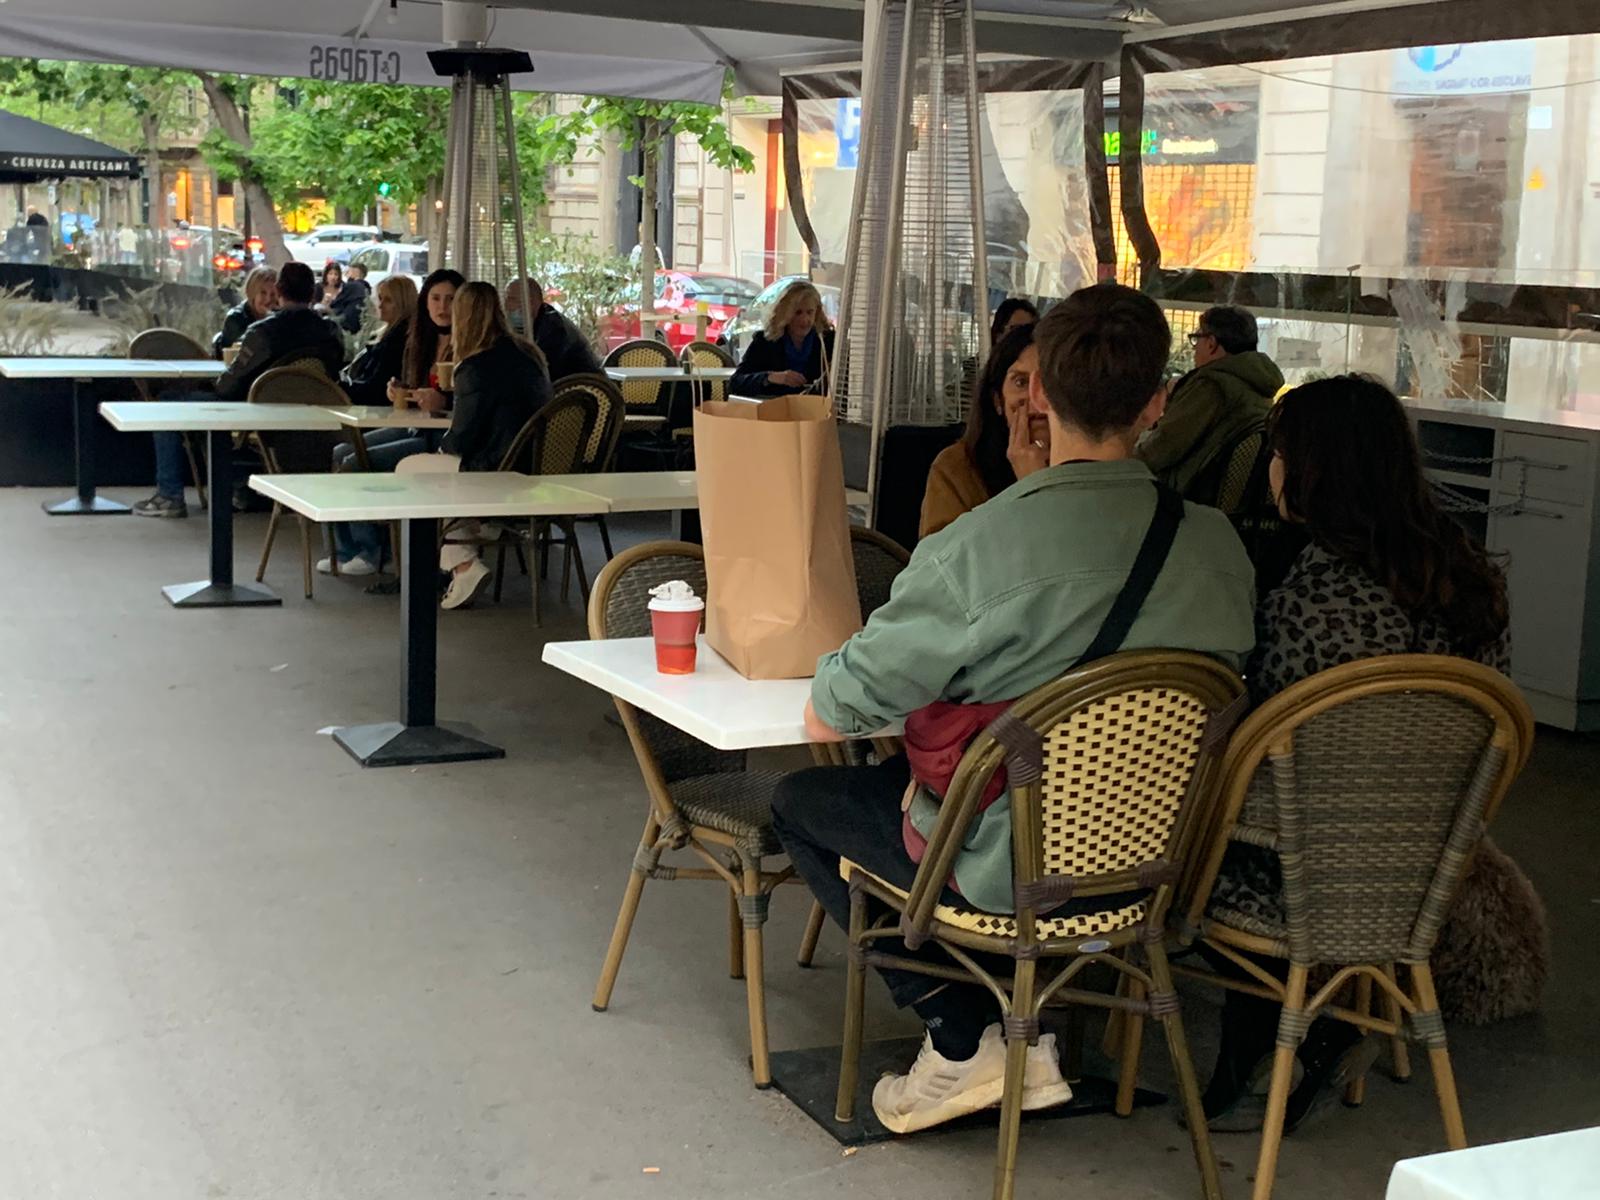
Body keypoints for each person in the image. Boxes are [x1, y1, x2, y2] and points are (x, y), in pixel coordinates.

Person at [770, 283, 1257, 1135]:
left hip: (1004, 869)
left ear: (1035, 395)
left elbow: (835, 708)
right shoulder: (1221, 547)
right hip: (1154, 873)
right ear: (1158, 402)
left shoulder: (980, 544)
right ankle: (1021, 1039)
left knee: (806, 802)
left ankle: (963, 1040)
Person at [1200, 374, 1542, 1133]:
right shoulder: (1472, 579)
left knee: (1195, 833)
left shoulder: (1305, 599)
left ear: (1313, 469)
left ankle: (1262, 1040)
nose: (1271, 471)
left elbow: (1267, 751)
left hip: (1302, 876)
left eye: (1279, 454)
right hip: (1426, 868)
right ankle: (1323, 1028)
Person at [133, 262, 345, 519]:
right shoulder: (331, 332)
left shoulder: (263, 332)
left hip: (257, 412)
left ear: (278, 290)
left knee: (167, 403)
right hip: (317, 417)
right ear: (313, 292)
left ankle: (169, 496)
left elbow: (227, 386)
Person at [413, 281, 552, 610]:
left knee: (414, 471)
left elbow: (461, 439)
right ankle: (478, 531)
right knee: (436, 472)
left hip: (495, 469)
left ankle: (460, 562)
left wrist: (438, 452)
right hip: (534, 466)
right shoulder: (528, 355)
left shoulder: (474, 367)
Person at [1137, 305, 1284, 506]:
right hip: (1224, 501)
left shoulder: (1211, 387)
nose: (1194, 347)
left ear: (1212, 343)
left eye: (1197, 338)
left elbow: (1163, 448)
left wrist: (1120, 456)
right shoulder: (1257, 385)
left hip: (1183, 498)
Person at [920, 324, 1041, 538]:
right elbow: (943, 562)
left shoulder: (1087, 465)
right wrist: (1031, 489)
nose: (1035, 396)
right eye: (1021, 382)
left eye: (1047, 382)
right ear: (997, 400)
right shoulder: (958, 467)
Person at [728, 280, 834, 398]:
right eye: (797, 313)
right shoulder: (765, 341)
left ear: (817, 313)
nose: (805, 320)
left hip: (816, 411)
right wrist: (770, 377)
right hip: (774, 410)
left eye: (810, 312)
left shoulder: (828, 341)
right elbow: (735, 383)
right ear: (784, 314)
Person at [504, 278, 602, 381]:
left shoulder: (554, 329)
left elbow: (539, 368)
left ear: (530, 303)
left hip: (582, 392)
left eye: (511, 299)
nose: (506, 305)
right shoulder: (536, 323)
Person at [213, 267, 279, 357]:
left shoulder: (281, 317)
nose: (268, 299)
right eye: (263, 293)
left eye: (273, 294)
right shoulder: (236, 319)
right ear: (252, 293)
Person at [331, 262, 372, 334]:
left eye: (348, 272)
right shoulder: (367, 288)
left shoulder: (352, 285)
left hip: (348, 322)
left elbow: (335, 304)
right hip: (362, 324)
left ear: (354, 273)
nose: (346, 274)